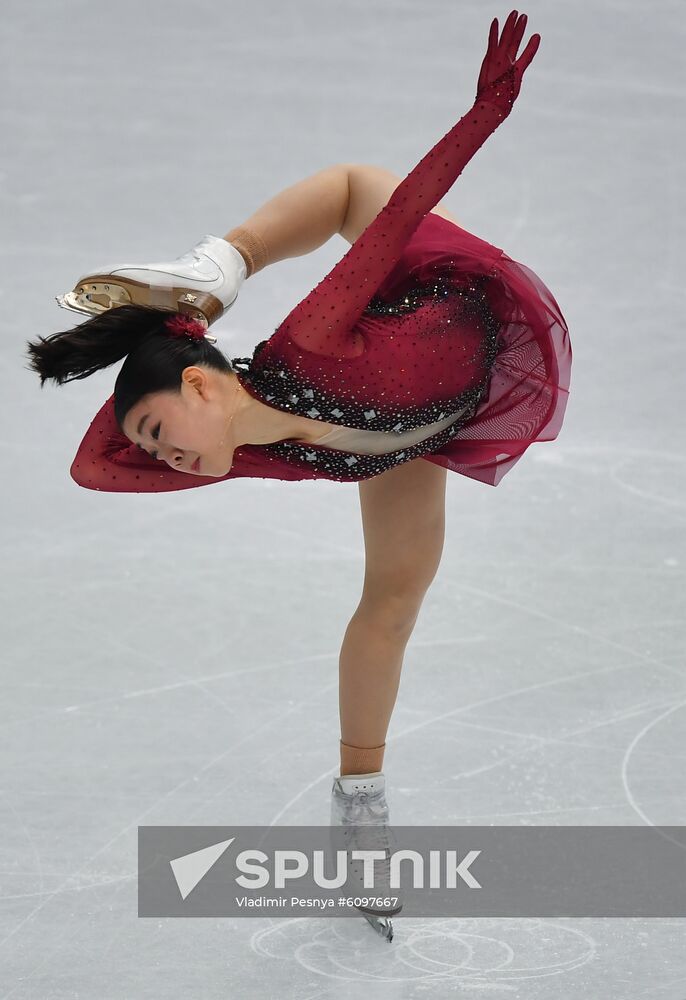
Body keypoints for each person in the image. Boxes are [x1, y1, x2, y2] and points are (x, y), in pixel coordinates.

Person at [26, 11, 570, 936]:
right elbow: (94, 469)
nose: (163, 459)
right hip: (416, 437)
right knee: (391, 604)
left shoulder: (306, 345)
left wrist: (482, 116)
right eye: (156, 449)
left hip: (445, 304)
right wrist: (145, 376)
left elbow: (384, 201)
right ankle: (360, 810)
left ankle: (219, 258)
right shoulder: (261, 453)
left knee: (354, 190)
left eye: (161, 429)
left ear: (204, 380)